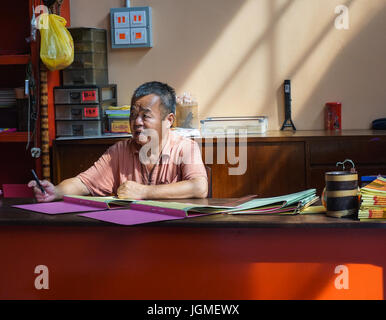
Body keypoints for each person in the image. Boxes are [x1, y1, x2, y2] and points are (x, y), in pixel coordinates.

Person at [28, 81, 208, 202]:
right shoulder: (119, 151)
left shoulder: (185, 147)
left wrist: (144, 192)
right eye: (133, 115)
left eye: (145, 116)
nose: (137, 122)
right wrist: (56, 191)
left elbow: (199, 187)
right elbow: (83, 183)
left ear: (169, 120)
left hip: (173, 234)